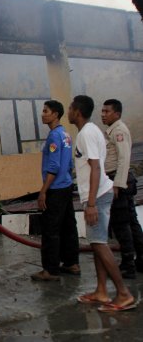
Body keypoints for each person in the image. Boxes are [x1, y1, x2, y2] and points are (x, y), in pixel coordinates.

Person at [69, 95, 136, 312]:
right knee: (98, 242)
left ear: (77, 111)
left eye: (70, 108)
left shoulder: (87, 133)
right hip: (100, 192)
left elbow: (96, 168)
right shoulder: (92, 130)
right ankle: (101, 291)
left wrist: (90, 204)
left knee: (99, 243)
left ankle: (123, 294)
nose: (68, 112)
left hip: (97, 195)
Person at [31, 100, 80, 281]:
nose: (43, 114)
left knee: (50, 229)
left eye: (46, 111)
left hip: (56, 188)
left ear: (55, 114)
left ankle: (50, 270)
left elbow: (54, 166)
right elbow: (68, 164)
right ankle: (71, 263)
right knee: (68, 226)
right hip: (66, 186)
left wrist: (43, 191)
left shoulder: (54, 137)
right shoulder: (66, 135)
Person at [101, 98, 143, 278]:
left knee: (122, 224)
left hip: (119, 181)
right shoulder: (112, 130)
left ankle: (128, 265)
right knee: (131, 223)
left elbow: (124, 159)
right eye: (102, 111)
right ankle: (139, 260)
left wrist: (117, 185)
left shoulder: (119, 131)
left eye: (107, 111)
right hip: (121, 181)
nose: (103, 115)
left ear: (117, 114)